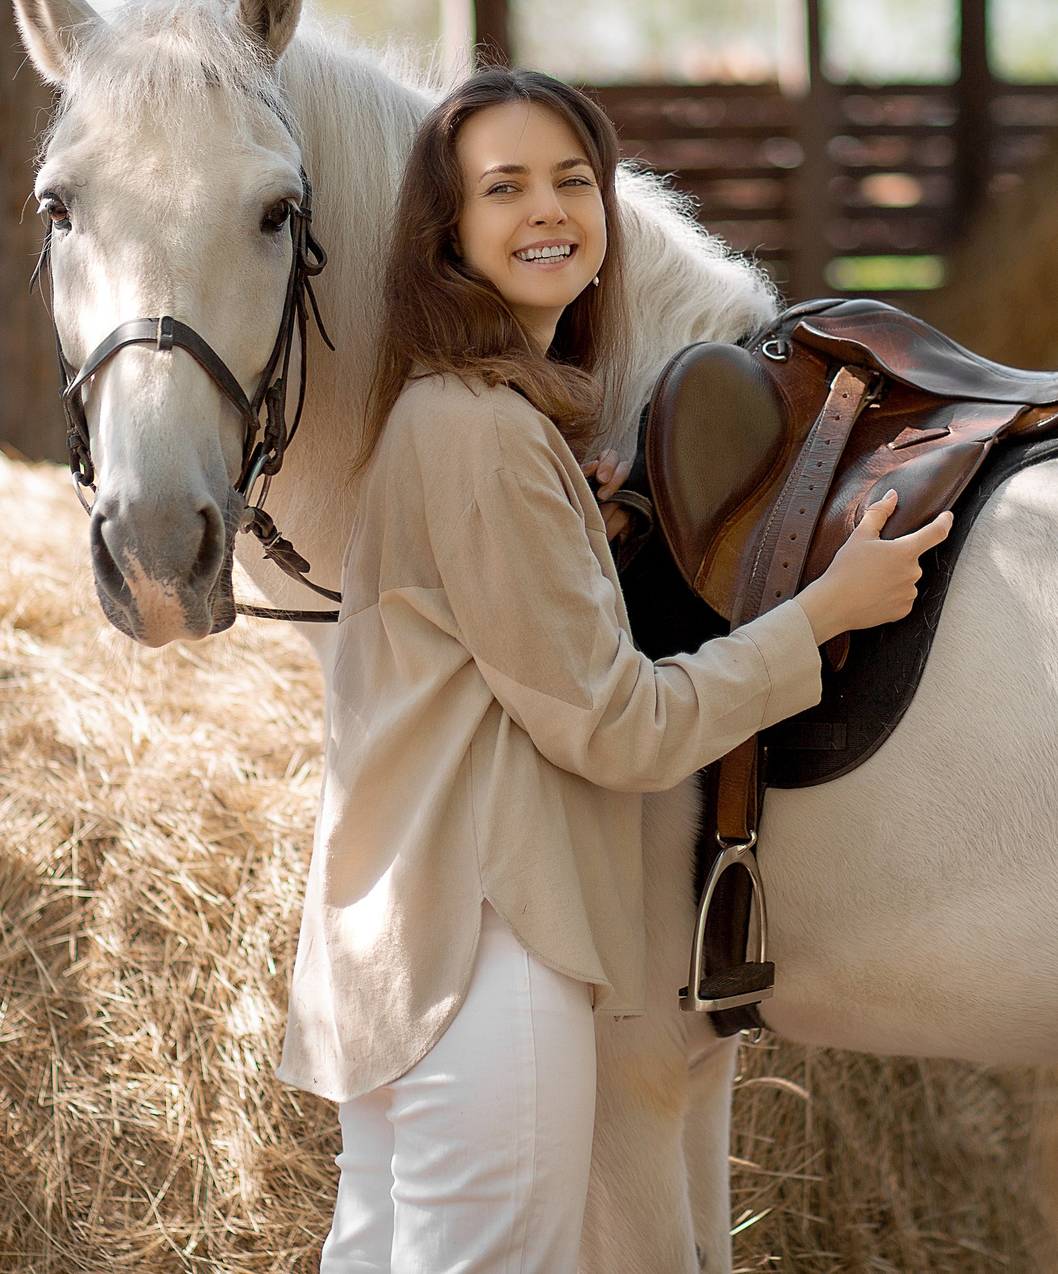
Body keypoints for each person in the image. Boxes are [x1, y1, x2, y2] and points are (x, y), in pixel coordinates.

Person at [278, 67, 952, 1273]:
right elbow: (615, 726)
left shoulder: (453, 418)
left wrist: (571, 530)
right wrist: (821, 616)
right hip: (489, 955)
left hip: (409, 955)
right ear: (447, 232)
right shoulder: (485, 433)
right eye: (504, 188)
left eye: (572, 180)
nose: (547, 209)